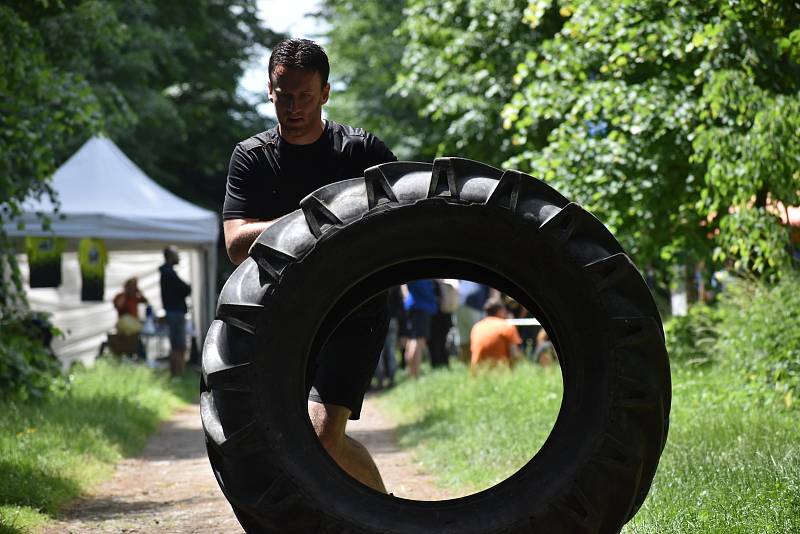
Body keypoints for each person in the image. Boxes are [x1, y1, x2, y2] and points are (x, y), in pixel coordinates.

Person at [222, 38, 396, 493]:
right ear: (269, 91)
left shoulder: (362, 152)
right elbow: (236, 244)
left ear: (325, 93)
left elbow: (403, 226)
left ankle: (389, 515)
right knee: (275, 441)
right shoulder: (250, 158)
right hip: (282, 314)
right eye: (284, 96)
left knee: (322, 437)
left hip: (355, 312)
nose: (293, 107)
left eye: (304, 96)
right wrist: (312, 218)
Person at [159, 246, 191, 377]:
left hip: (173, 312)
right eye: (176, 254)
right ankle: (178, 374)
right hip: (176, 312)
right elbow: (185, 289)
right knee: (179, 346)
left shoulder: (167, 273)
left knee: (176, 345)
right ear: (170, 256)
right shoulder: (169, 273)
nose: (178, 257)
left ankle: (176, 374)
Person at [470, 297, 523, 372]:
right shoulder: (507, 326)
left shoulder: (476, 327)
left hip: (478, 374)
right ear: (500, 311)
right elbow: (514, 355)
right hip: (499, 374)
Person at [402, 279, 438, 378]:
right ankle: (415, 375)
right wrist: (433, 297)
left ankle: (411, 373)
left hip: (413, 307)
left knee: (412, 340)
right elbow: (424, 289)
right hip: (421, 308)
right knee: (418, 341)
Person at [454, 280, 491, 362]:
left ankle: (465, 365)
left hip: (459, 302)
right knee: (478, 337)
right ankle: (477, 363)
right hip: (475, 305)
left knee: (463, 338)